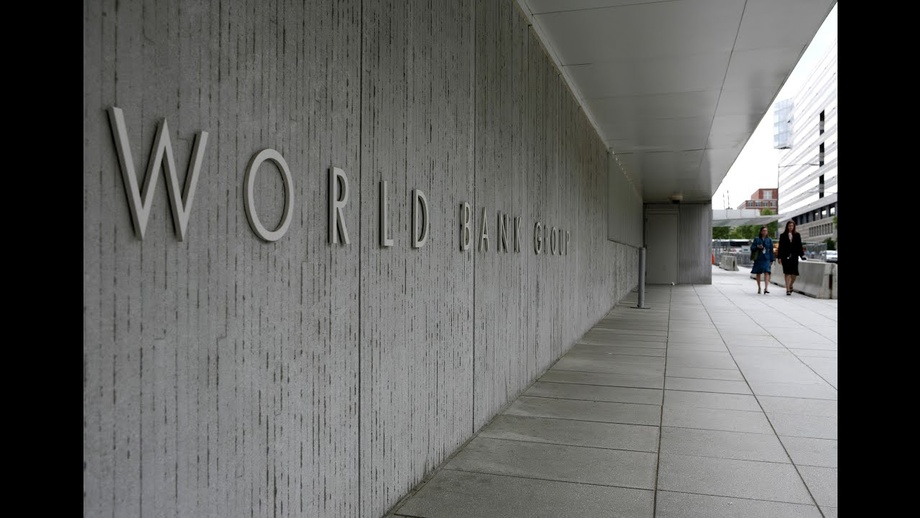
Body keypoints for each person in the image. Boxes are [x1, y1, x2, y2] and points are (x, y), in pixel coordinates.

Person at [777, 220, 806, 295]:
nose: (791, 227)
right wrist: (779, 257)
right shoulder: (783, 235)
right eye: (789, 226)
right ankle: (788, 289)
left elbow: (799, 246)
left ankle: (790, 285)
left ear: (794, 227)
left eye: (792, 226)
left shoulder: (797, 235)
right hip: (785, 257)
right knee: (787, 273)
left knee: (794, 273)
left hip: (794, 256)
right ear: (787, 226)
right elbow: (780, 247)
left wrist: (802, 255)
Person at [751, 226, 774, 294]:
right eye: (763, 230)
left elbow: (771, 250)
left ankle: (766, 288)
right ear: (761, 232)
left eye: (766, 231)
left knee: (767, 272)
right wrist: (757, 247)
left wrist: (772, 259)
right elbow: (752, 248)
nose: (765, 232)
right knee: (758, 272)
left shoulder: (769, 240)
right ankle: (759, 287)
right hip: (759, 258)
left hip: (766, 258)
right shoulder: (757, 239)